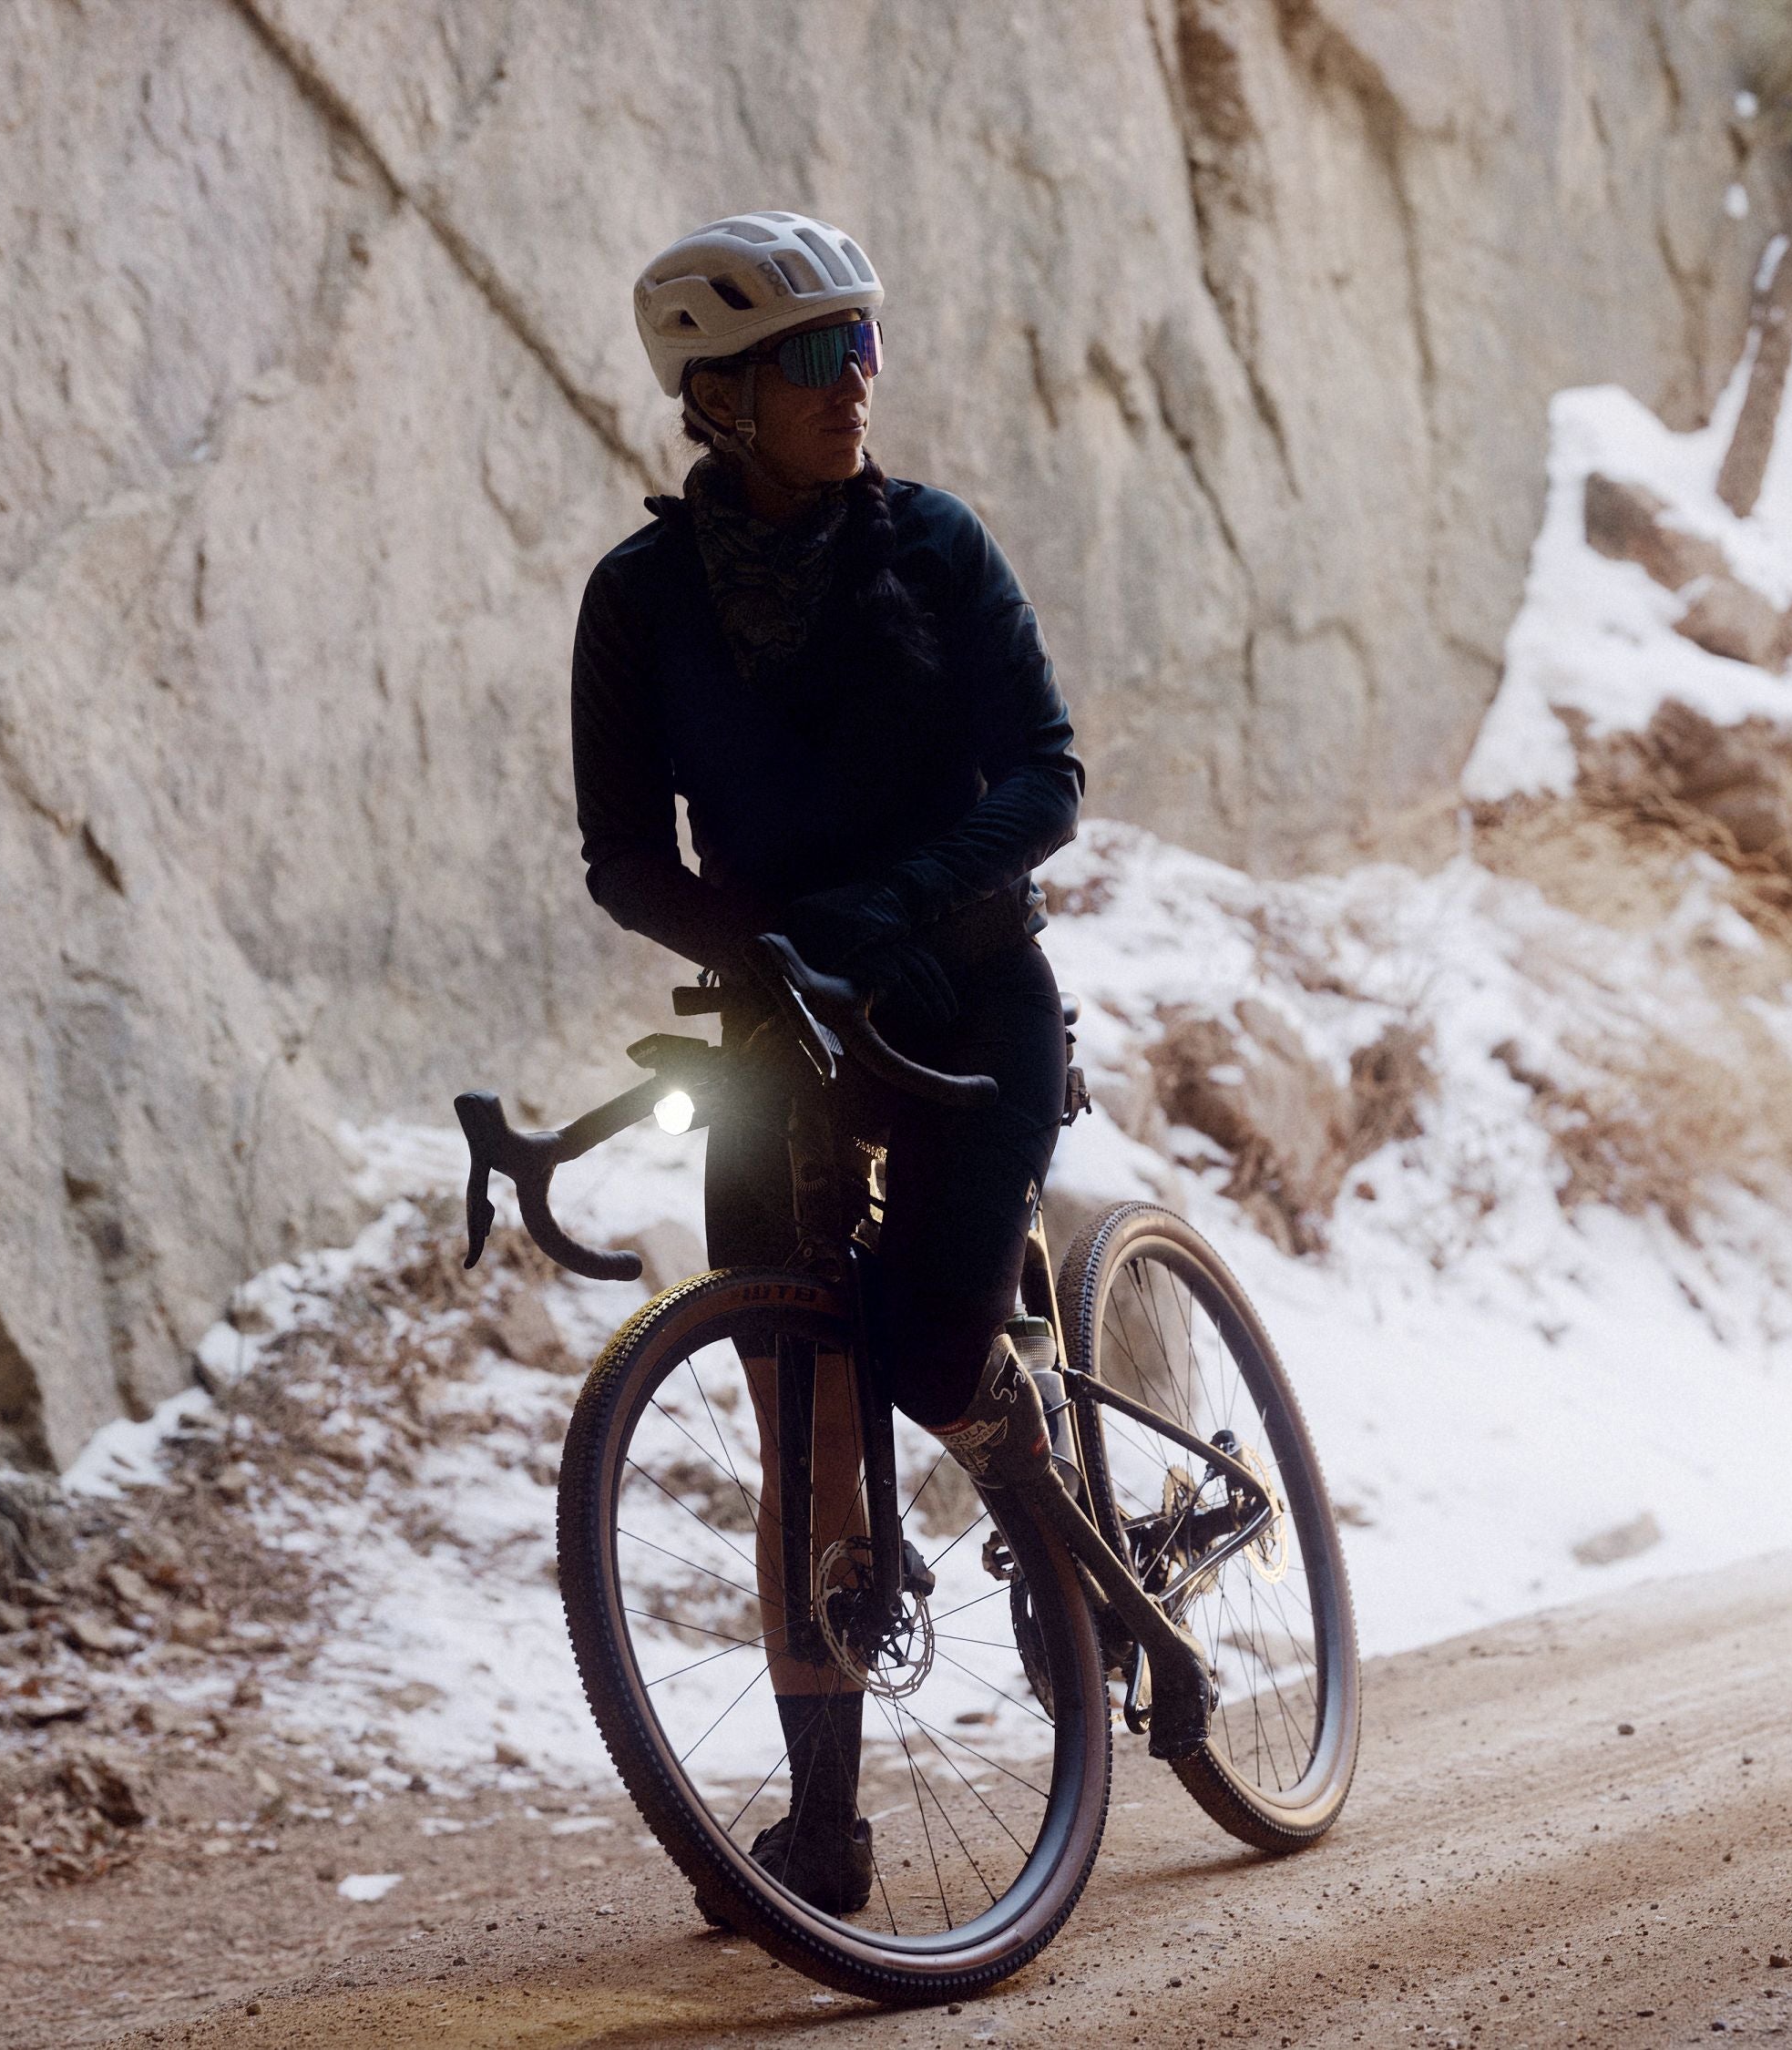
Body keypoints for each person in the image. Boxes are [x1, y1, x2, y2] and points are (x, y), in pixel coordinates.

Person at [569, 211, 1074, 1914]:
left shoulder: (933, 545)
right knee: (804, 1415)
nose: (855, 380)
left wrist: (900, 903)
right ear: (719, 396)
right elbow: (626, 853)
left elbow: (1050, 776)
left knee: (931, 1353)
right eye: (812, 355)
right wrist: (753, 950)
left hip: (970, 993)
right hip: (782, 1020)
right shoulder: (640, 602)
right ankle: (827, 1826)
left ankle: (1036, 1478)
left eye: (865, 343)